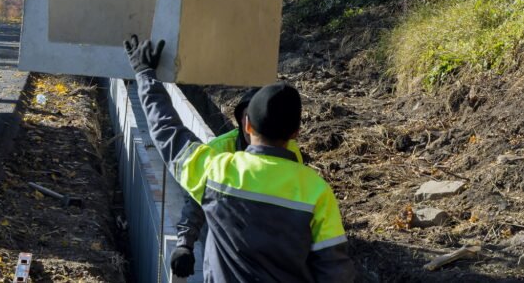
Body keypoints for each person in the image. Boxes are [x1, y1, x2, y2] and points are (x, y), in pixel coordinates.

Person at [126, 37, 354, 282]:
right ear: (296, 132)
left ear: (246, 124)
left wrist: (145, 74)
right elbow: (335, 271)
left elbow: (167, 130)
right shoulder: (318, 192)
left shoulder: (219, 171)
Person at [170, 89, 306, 278]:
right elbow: (196, 201)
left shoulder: (290, 153)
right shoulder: (219, 150)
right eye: (246, 117)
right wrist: (185, 244)